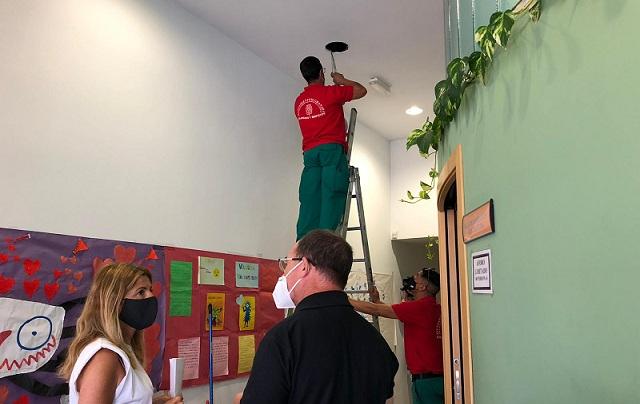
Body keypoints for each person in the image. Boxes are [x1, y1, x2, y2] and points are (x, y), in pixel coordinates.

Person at [235, 230, 398, 404]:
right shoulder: (375, 340)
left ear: (303, 266)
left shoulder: (284, 338)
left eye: (286, 264)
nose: (283, 274)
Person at [58, 263, 182, 404]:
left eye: (150, 290)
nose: (151, 296)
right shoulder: (104, 356)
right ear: (115, 302)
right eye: (141, 292)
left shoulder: (122, 349)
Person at [294, 56, 367, 240]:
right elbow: (361, 90)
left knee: (310, 199)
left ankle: (304, 244)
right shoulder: (330, 93)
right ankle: (325, 242)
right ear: (321, 73)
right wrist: (342, 81)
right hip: (330, 151)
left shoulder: (299, 102)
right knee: (331, 194)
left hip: (310, 156)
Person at [350, 268, 444, 404]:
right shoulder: (433, 308)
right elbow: (391, 310)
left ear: (423, 286)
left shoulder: (419, 308)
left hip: (426, 383)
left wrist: (344, 299)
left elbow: (376, 310)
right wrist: (377, 301)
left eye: (416, 276)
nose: (412, 278)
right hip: (437, 379)